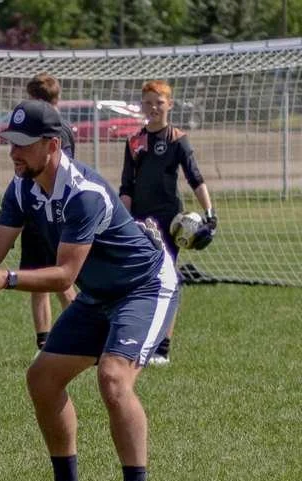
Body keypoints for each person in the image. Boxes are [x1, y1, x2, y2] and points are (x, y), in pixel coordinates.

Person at [0, 100, 179, 481]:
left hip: (145, 288)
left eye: (24, 145)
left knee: (114, 378)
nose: (14, 153)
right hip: (99, 295)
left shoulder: (84, 194)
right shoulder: (23, 187)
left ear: (52, 144)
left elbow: (64, 276)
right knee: (42, 379)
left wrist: (5, 279)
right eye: (11, 143)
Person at [120, 79, 216, 366]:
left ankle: (162, 348)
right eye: (148, 102)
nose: (153, 108)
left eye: (159, 102)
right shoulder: (134, 141)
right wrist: (123, 221)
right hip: (138, 220)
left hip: (170, 222)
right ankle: (134, 341)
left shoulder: (177, 139)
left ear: (169, 105)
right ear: (142, 105)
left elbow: (195, 178)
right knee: (136, 280)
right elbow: (126, 186)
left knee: (167, 280)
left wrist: (209, 213)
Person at [23, 73, 78, 351]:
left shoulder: (58, 129)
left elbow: (58, 172)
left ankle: (85, 334)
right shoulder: (46, 126)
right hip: (36, 212)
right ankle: (43, 342)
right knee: (37, 280)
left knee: (59, 279)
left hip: (53, 215)